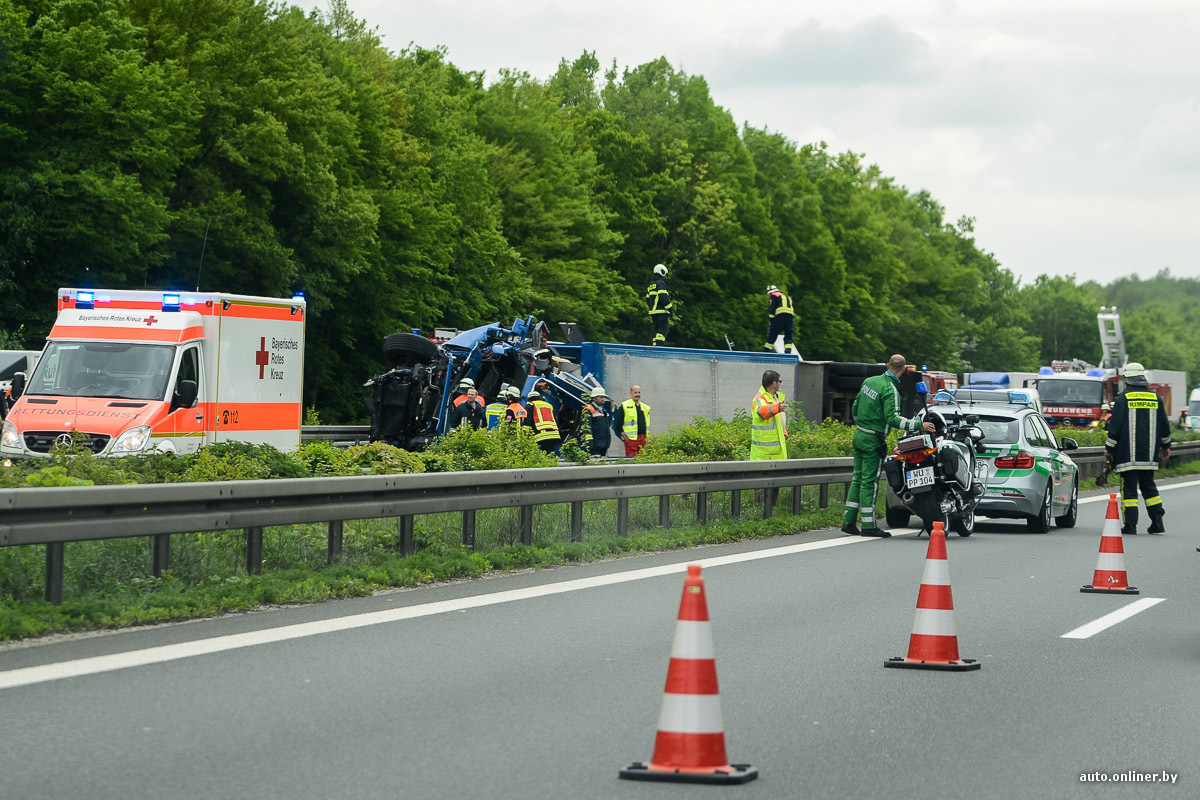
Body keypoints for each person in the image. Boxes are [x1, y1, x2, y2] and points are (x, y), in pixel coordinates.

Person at [842, 355, 936, 537]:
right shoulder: (890, 389)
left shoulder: (869, 381)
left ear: (887, 365)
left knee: (857, 479)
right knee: (870, 482)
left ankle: (849, 521)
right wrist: (918, 425)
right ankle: (869, 526)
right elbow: (893, 419)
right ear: (903, 369)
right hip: (872, 440)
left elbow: (855, 407)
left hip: (859, 434)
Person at [1105, 362, 1171, 534]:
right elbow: (1165, 426)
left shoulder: (1122, 399)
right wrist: (1165, 447)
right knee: (1149, 485)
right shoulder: (1156, 398)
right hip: (1149, 455)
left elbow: (1115, 427)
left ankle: (1131, 525)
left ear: (1127, 380)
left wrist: (1109, 447)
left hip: (1127, 454)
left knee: (1129, 488)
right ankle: (1157, 518)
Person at [750, 370, 788, 460]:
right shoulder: (760, 398)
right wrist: (777, 408)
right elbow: (762, 412)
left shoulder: (775, 397)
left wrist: (783, 431)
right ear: (774, 383)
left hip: (775, 453)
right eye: (780, 381)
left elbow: (777, 420)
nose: (780, 384)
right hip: (764, 454)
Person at [613, 384, 651, 457]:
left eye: (639, 392)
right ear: (631, 393)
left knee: (643, 460)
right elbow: (618, 425)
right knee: (631, 461)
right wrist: (625, 438)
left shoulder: (645, 407)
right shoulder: (624, 406)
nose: (637, 394)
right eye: (635, 392)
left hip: (643, 439)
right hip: (631, 440)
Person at [524, 390, 561, 454]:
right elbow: (555, 420)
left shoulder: (531, 405)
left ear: (530, 399)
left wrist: (525, 435)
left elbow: (528, 421)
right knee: (550, 454)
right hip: (554, 435)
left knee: (540, 456)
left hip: (541, 435)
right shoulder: (549, 405)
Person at [646, 263, 674, 346]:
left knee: (657, 330)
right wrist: (670, 309)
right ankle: (658, 346)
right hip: (661, 312)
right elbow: (664, 297)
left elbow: (648, 299)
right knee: (663, 330)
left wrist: (651, 309)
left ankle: (655, 346)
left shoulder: (651, 285)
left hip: (653, 312)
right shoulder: (661, 283)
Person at [763, 285, 796, 355]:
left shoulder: (774, 295)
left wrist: (771, 321)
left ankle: (766, 351)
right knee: (788, 335)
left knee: (773, 334)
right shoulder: (787, 297)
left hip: (780, 316)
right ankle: (788, 351)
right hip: (790, 317)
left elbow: (772, 309)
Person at [582, 385, 614, 457]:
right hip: (595, 445)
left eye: (603, 397)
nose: (603, 399)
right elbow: (587, 428)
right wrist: (589, 442)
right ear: (594, 398)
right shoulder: (588, 410)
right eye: (601, 397)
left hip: (604, 444)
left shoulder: (603, 411)